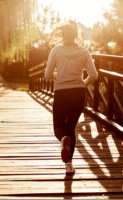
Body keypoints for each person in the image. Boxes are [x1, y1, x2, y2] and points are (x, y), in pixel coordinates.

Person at [44, 20, 98, 174]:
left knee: (59, 129)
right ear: (76, 35)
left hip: (62, 93)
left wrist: (58, 75)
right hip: (78, 94)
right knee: (70, 128)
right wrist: (82, 83)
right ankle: (69, 167)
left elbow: (47, 75)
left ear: (62, 34)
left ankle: (63, 140)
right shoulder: (84, 51)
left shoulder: (56, 50)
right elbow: (94, 75)